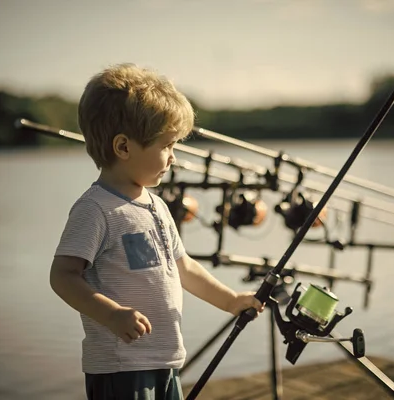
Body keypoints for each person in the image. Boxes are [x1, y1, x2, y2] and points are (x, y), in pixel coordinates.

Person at [49, 63, 264, 400]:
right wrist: (112, 313)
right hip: (122, 366)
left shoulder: (156, 205)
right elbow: (62, 276)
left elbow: (184, 268)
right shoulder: (95, 209)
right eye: (167, 146)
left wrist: (231, 300)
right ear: (123, 147)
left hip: (164, 359)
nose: (173, 158)